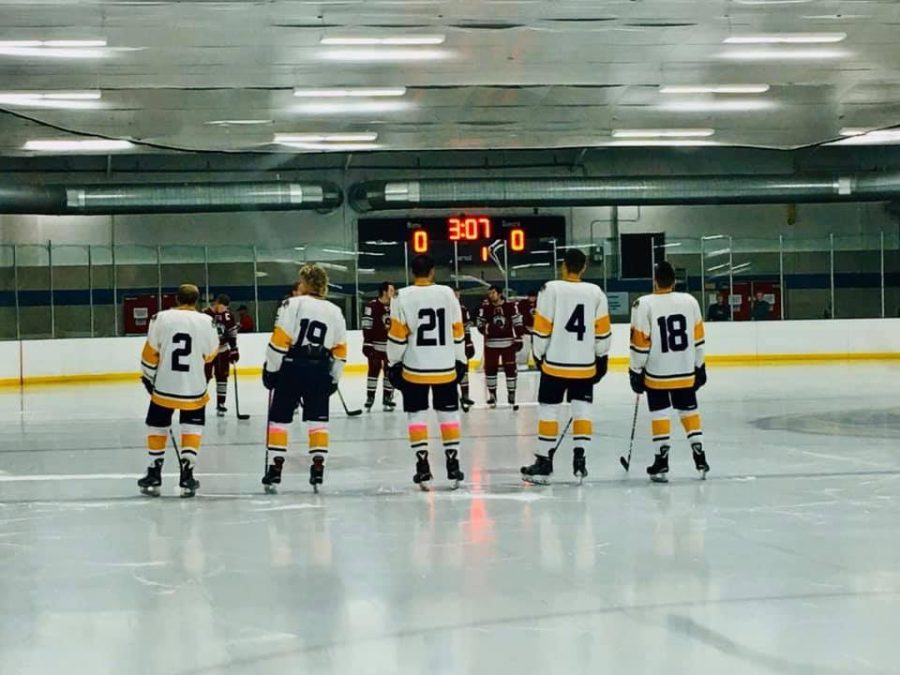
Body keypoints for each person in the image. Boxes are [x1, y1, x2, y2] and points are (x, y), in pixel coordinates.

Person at [521, 249, 611, 484]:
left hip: (555, 365)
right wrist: (602, 358)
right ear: (583, 268)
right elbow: (602, 331)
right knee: (582, 411)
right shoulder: (596, 292)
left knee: (549, 411)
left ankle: (544, 462)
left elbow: (542, 328)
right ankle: (580, 458)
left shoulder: (551, 289)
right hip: (584, 365)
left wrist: (538, 355)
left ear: (563, 266)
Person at [261, 264, 348, 492]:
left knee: (280, 419)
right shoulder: (334, 310)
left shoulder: (292, 304)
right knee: (318, 421)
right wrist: (334, 378)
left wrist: (271, 370)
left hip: (292, 367)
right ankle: (318, 465)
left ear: (305, 283)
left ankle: (276, 466)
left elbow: (279, 341)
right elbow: (340, 351)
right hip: (319, 368)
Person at [387, 254, 467, 490]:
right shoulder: (447, 294)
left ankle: (422, 463)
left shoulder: (401, 297)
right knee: (448, 415)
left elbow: (397, 336)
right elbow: (458, 329)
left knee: (417, 416)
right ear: (432, 272)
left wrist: (394, 362)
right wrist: (460, 359)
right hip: (445, 367)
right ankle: (453, 461)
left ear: (412, 272)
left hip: (415, 368)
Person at [629, 261, 709, 483]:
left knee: (660, 413)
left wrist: (635, 369)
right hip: (684, 370)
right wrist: (699, 365)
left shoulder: (643, 303)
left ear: (655, 280)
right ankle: (699, 454)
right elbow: (698, 339)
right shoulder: (690, 301)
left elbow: (640, 342)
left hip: (657, 372)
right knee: (689, 412)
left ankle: (661, 460)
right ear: (675, 280)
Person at [138, 283, 220, 497]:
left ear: (176, 299)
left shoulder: (160, 318)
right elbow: (211, 353)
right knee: (192, 427)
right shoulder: (206, 321)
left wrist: (149, 378)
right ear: (197, 300)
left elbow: (150, 353)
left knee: (157, 425)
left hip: (165, 384)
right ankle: (188, 472)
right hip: (194, 385)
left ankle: (154, 470)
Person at [476, 284, 524, 409]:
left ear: (499, 294)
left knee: (510, 369)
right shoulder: (485, 308)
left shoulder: (510, 306)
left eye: (493, 293)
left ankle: (511, 394)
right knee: (490, 369)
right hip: (491, 344)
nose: (490, 295)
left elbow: (518, 322)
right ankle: (492, 395)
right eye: (489, 293)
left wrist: (519, 337)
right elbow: (480, 325)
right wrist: (488, 329)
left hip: (508, 343)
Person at [361, 281, 396, 412]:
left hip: (392, 345)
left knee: (389, 372)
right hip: (376, 345)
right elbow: (367, 325)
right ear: (384, 292)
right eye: (391, 290)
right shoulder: (372, 306)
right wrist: (367, 343)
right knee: (374, 370)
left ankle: (387, 397)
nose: (394, 293)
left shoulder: (396, 306)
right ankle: (370, 397)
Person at [202, 294, 239, 416]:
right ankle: (199, 402)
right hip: (208, 352)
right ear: (216, 303)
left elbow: (232, 334)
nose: (224, 310)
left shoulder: (228, 316)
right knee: (204, 377)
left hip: (223, 351)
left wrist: (234, 349)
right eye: (222, 307)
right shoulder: (205, 314)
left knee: (222, 377)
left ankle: (221, 404)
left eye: (226, 308)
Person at [455, 288, 476, 412]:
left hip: (461, 344)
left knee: (464, 370)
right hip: (449, 346)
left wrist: (469, 343)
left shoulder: (463, 309)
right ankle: (454, 396)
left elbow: (467, 327)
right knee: (451, 373)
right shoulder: (445, 309)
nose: (456, 297)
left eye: (457, 294)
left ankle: (465, 396)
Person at [516, 289, 538, 368]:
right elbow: (520, 316)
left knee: (537, 349)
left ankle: (538, 364)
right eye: (531, 297)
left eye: (534, 297)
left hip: (537, 331)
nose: (532, 298)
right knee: (526, 348)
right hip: (526, 330)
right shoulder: (523, 304)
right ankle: (522, 364)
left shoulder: (540, 303)